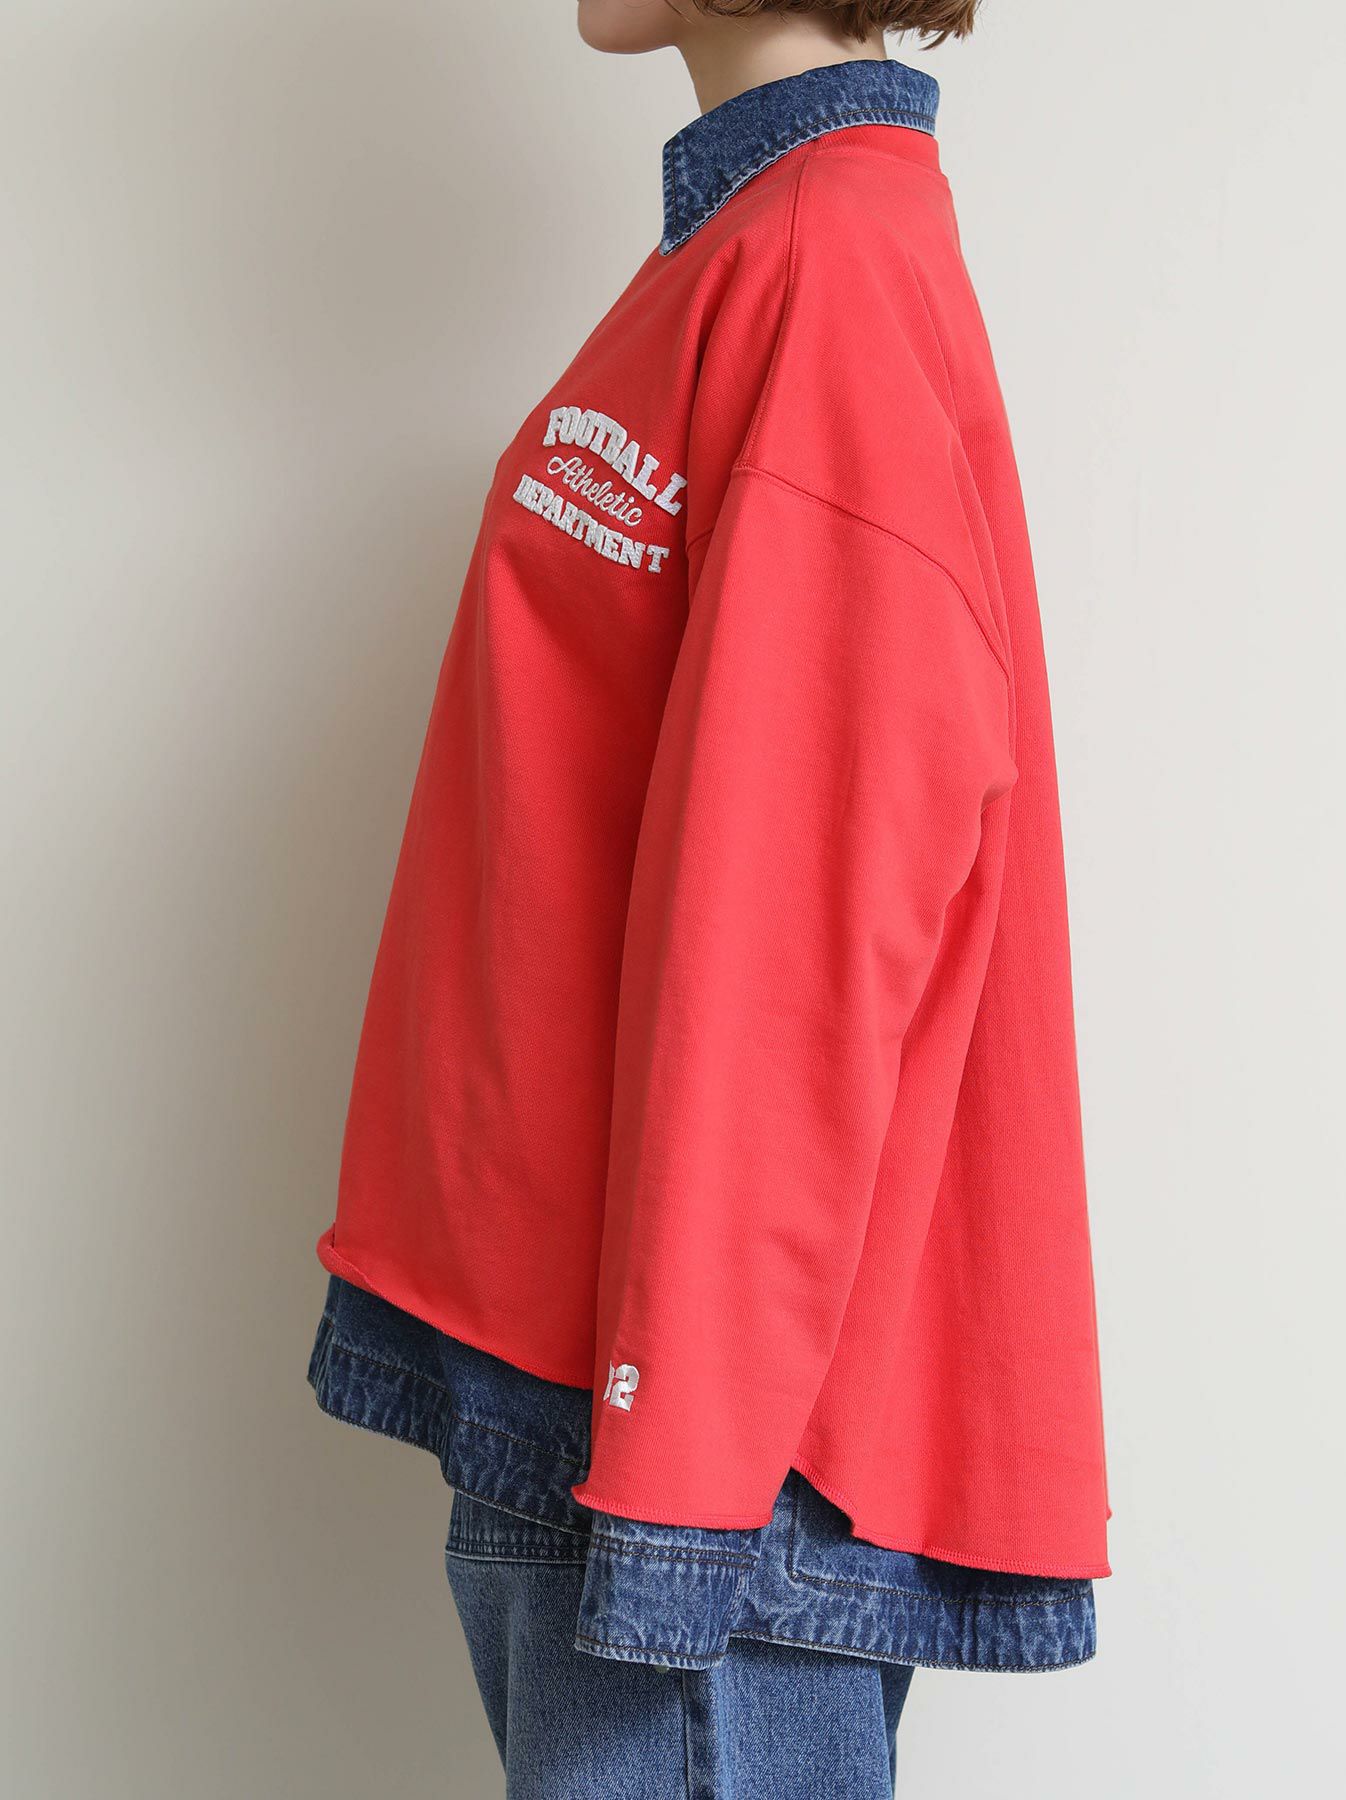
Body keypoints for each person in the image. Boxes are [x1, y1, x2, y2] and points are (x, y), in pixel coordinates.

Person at [308, 3, 1109, 1793]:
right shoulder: (750, 247)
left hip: (680, 1435)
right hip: (585, 1375)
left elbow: (811, 911)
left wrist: (680, 1472)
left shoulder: (828, 262)